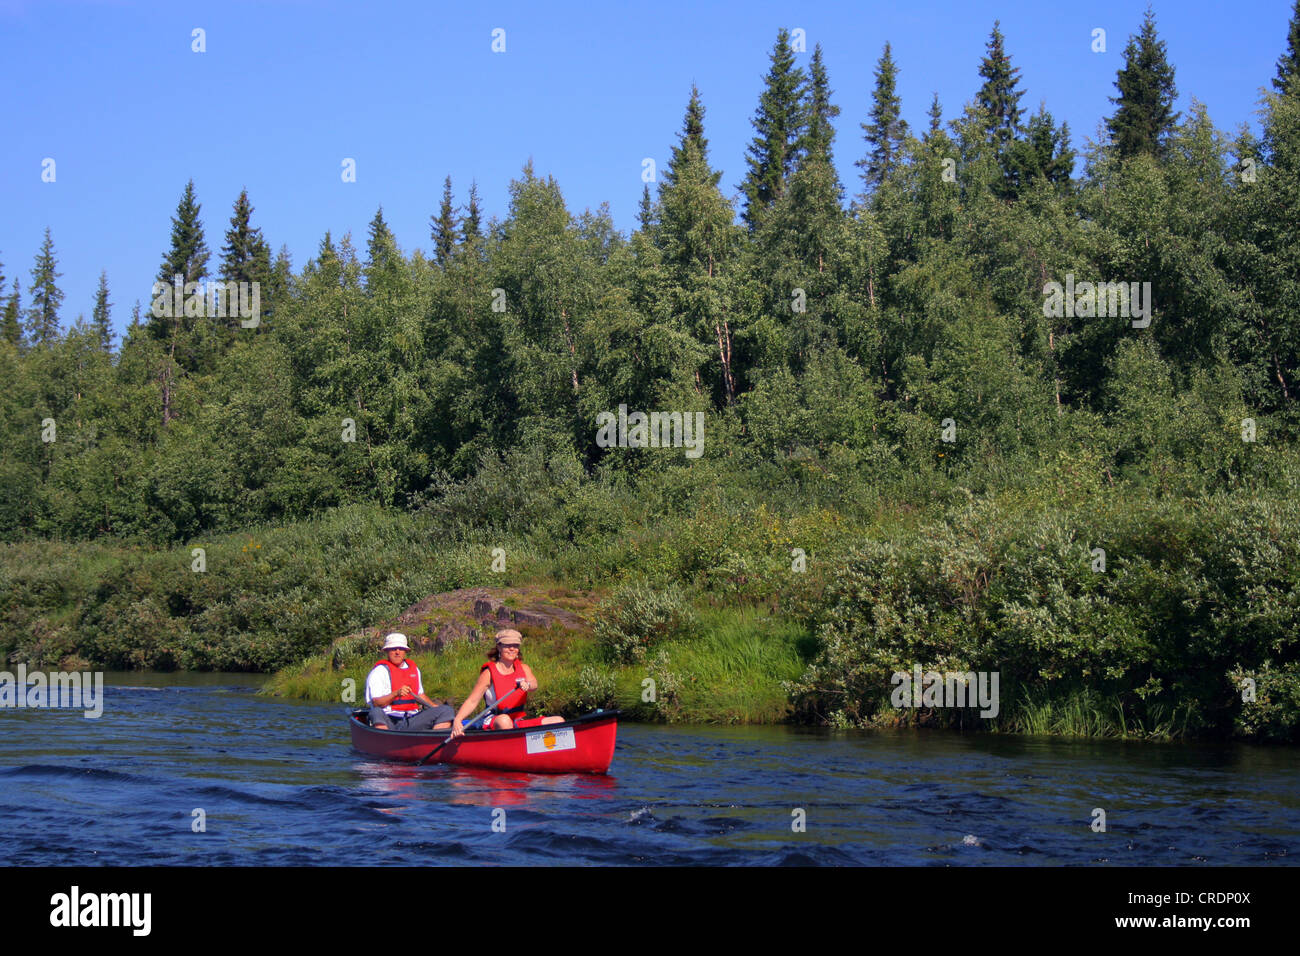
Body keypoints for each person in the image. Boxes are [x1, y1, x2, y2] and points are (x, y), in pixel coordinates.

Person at [449, 629, 565, 737]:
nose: (512, 649)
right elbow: (472, 701)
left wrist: (528, 685)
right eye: (508, 645)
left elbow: (534, 684)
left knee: (558, 720)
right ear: (499, 647)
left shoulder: (524, 668)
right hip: (494, 719)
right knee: (504, 720)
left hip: (517, 720)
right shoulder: (488, 673)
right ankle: (511, 749)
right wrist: (458, 720)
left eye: (515, 646)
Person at [365, 633, 455, 731]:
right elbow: (377, 703)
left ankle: (434, 741)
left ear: (405, 651)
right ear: (387, 651)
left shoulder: (414, 669)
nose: (397, 652)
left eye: (401, 649)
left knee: (447, 711)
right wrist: (396, 694)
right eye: (393, 649)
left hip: (411, 720)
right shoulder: (379, 672)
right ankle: (385, 739)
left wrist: (435, 707)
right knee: (376, 712)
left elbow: (420, 695)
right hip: (389, 719)